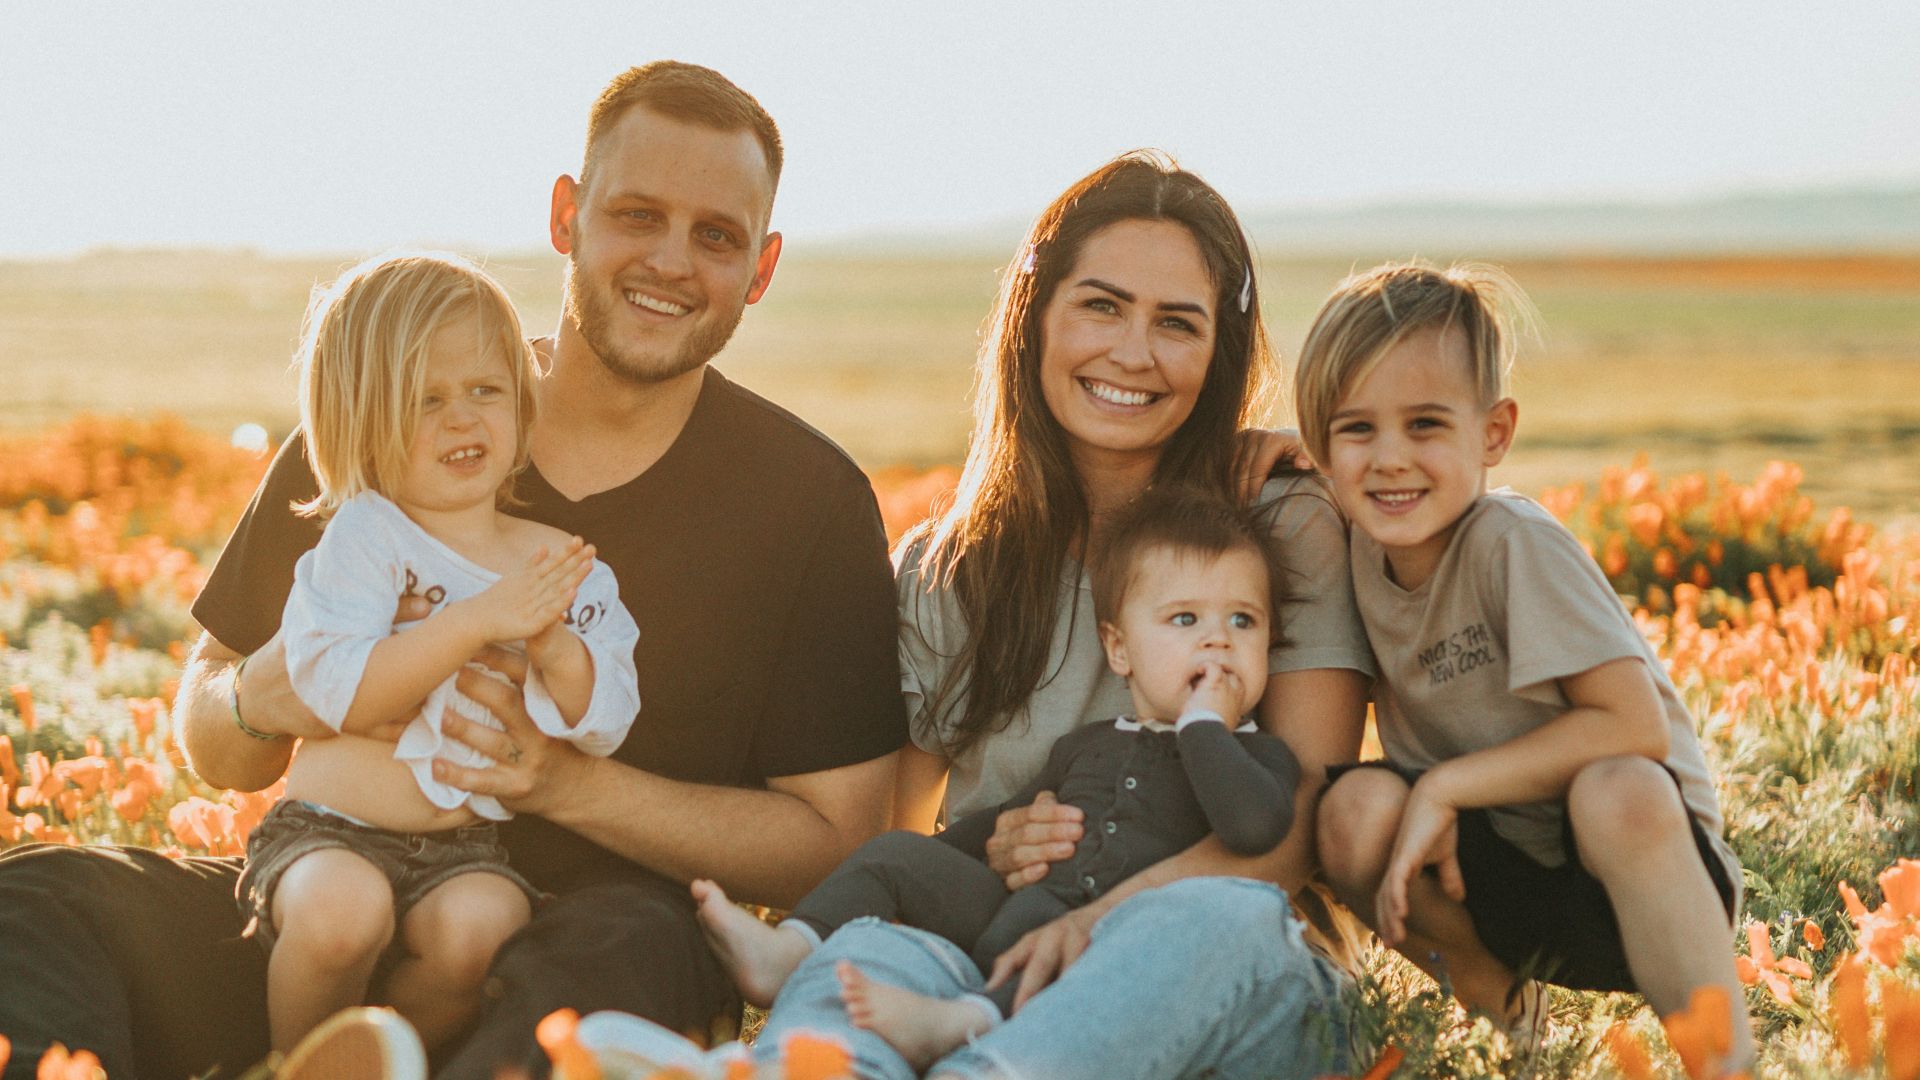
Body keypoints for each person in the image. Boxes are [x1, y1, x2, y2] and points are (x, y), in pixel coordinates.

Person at [0, 61, 906, 1080]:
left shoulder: (808, 501)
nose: (670, 261)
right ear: (567, 215)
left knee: (620, 958)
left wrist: (562, 783)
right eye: (636, 214)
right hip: (332, 897)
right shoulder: (395, 415)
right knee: (37, 899)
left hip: (590, 935)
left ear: (764, 266)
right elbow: (213, 737)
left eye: (716, 236)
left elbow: (835, 838)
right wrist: (278, 690)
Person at [753, 151, 1375, 1080]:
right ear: (1034, 316)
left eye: (1177, 323)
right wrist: (995, 847)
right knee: (868, 955)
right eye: (1101, 305)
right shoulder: (944, 569)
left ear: (1219, 354)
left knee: (1219, 921)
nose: (1133, 352)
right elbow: (905, 827)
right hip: (996, 957)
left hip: (1216, 968)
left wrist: (1093, 921)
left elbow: (1293, 836)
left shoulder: (1281, 527)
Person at [1297, 261, 1752, 1066]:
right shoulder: (1354, 552)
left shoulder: (1513, 544)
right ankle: (1511, 1031)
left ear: (1495, 434)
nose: (1390, 459)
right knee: (1350, 811)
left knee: (1619, 788)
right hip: (1494, 879)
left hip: (1635, 876)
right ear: (1321, 447)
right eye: (1357, 429)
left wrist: (1446, 784)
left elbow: (1633, 725)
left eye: (1427, 425)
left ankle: (1724, 1061)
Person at [695, 487, 1303, 1067]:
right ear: (1120, 650)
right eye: (1186, 620)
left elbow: (1252, 826)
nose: (1218, 641)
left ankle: (964, 1024)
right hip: (1012, 914)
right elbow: (997, 824)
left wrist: (1205, 728)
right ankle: (791, 950)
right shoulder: (1087, 745)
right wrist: (953, 855)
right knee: (896, 855)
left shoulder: (1261, 759)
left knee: (1072, 961)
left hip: (1115, 950)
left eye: (1243, 622)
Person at [239, 251, 641, 1053]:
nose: (462, 420)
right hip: (328, 829)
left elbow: (606, 719)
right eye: (425, 401)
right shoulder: (365, 536)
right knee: (340, 916)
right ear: (360, 421)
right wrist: (476, 620)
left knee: (485, 927)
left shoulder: (556, 558)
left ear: (522, 406)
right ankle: (295, 1067)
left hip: (464, 846)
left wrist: (555, 648)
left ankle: (391, 1062)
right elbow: (337, 692)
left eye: (485, 392)